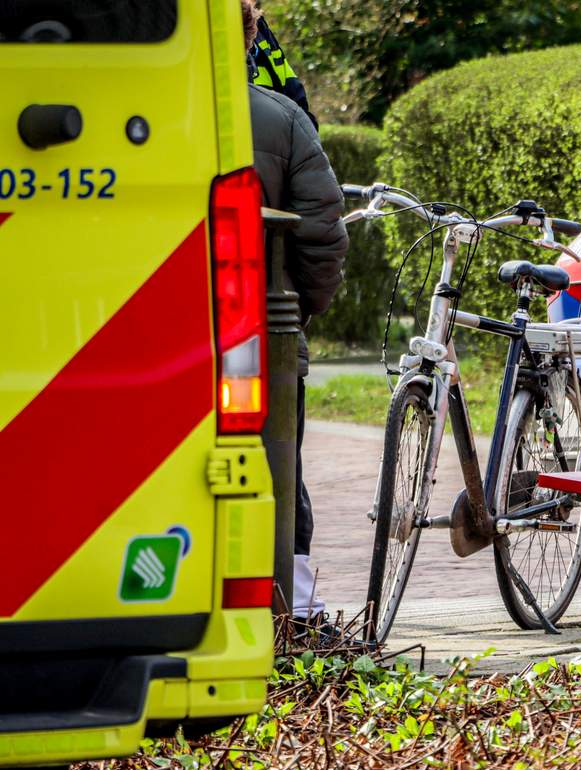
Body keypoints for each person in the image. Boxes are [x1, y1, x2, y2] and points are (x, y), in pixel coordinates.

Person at [241, 0, 348, 626]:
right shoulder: (279, 119)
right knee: (279, 462)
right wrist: (298, 313)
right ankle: (292, 607)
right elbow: (323, 233)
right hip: (259, 331)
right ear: (252, 38)